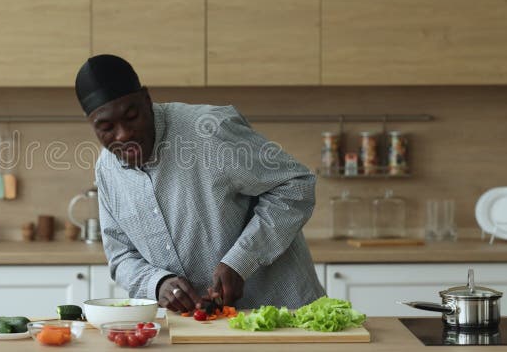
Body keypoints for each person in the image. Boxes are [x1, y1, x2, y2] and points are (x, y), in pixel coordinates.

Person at [75, 54, 324, 313]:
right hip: (199, 329)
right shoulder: (107, 170)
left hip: (286, 317)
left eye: (132, 116)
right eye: (106, 127)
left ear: (147, 99)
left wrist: (242, 260)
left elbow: (296, 185)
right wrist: (157, 284)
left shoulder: (210, 130)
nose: (123, 134)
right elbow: (121, 257)